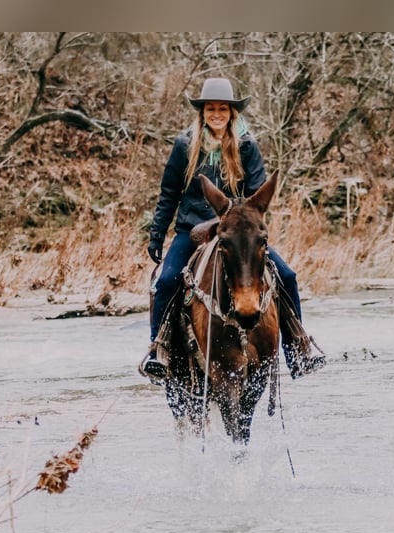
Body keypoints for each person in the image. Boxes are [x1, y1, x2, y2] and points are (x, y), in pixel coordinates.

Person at [139, 77, 325, 382]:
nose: (216, 114)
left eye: (222, 109)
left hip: (235, 231)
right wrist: (157, 234)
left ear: (231, 112)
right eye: (210, 109)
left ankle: (298, 349)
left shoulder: (247, 145)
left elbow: (256, 191)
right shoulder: (184, 145)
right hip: (192, 229)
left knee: (287, 276)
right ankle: (158, 348)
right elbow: (169, 193)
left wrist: (247, 220)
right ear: (202, 112)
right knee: (168, 281)